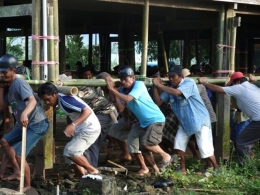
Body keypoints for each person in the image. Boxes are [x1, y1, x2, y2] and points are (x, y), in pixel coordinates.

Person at [152, 65, 219, 175]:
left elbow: (177, 93)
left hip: (200, 120)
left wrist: (159, 85)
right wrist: (155, 87)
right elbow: (158, 102)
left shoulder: (189, 83)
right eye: (169, 76)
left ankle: (216, 168)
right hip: (184, 122)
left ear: (181, 76)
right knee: (178, 145)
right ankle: (182, 169)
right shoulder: (170, 88)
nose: (171, 79)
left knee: (204, 148)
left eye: (174, 76)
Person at [105, 66, 172, 175]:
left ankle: (166, 155)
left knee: (146, 143)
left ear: (133, 78)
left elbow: (127, 99)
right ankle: (155, 170)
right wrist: (116, 91)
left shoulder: (139, 85)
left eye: (125, 79)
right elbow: (121, 109)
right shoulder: (122, 90)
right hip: (143, 122)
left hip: (155, 119)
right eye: (121, 80)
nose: (123, 82)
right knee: (141, 147)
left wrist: (112, 89)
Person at [0, 54, 49, 192]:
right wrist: (1, 88)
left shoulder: (19, 83)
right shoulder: (8, 86)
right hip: (23, 124)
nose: (2, 75)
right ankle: (16, 171)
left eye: (5, 72)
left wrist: (24, 113)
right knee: (4, 142)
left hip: (37, 123)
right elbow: (2, 106)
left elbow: (32, 100)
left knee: (19, 154)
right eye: (0, 72)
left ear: (13, 70)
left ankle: (27, 185)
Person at [37, 82, 101, 178]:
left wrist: (73, 125)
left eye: (48, 99)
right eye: (44, 100)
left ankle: (93, 170)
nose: (47, 103)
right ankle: (82, 182)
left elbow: (87, 111)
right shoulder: (60, 99)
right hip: (83, 128)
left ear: (55, 94)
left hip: (90, 128)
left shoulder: (65, 100)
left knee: (70, 151)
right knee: (71, 158)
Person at [198, 72, 260, 167]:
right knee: (244, 142)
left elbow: (219, 89)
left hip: (258, 121)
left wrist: (205, 83)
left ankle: (248, 169)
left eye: (232, 84)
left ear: (238, 82)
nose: (231, 87)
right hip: (256, 120)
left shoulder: (239, 87)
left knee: (241, 142)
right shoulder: (253, 86)